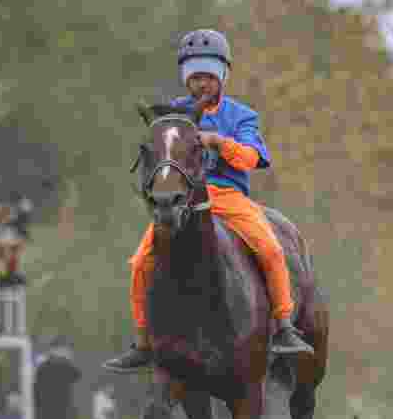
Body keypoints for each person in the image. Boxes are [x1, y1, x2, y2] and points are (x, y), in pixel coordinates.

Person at [104, 28, 314, 373]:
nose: (200, 83)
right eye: (193, 76)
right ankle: (143, 342)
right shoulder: (173, 114)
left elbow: (250, 158)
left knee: (272, 250)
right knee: (140, 263)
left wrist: (218, 141)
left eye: (207, 76)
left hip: (230, 198)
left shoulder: (241, 116)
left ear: (222, 76)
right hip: (183, 201)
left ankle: (285, 327)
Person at [33, 334, 82, 419]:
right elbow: (76, 375)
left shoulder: (44, 365)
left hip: (50, 413)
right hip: (59, 413)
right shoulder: (64, 365)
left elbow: (76, 375)